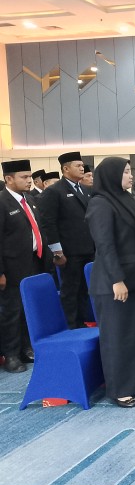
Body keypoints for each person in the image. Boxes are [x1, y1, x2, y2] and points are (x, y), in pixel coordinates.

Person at [85, 158, 135, 408]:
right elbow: (105, 245)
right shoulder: (100, 204)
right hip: (112, 283)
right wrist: (117, 279)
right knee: (118, 337)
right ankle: (120, 389)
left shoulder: (125, 198)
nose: (130, 175)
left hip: (134, 276)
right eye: (125, 172)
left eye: (129, 171)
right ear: (111, 175)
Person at [38, 151, 95, 328]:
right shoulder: (54, 191)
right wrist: (57, 251)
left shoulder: (84, 190)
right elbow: (49, 223)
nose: (82, 168)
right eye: (78, 166)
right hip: (69, 252)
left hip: (88, 249)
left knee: (84, 289)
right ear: (65, 169)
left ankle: (81, 322)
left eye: (82, 165)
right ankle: (70, 325)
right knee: (70, 290)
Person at [0, 160, 46, 373]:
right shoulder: (2, 202)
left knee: (29, 309)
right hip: (11, 267)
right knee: (12, 311)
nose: (29, 180)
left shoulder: (30, 200)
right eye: (24, 177)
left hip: (34, 262)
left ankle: (26, 348)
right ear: (9, 179)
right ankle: (10, 354)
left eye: (30, 176)